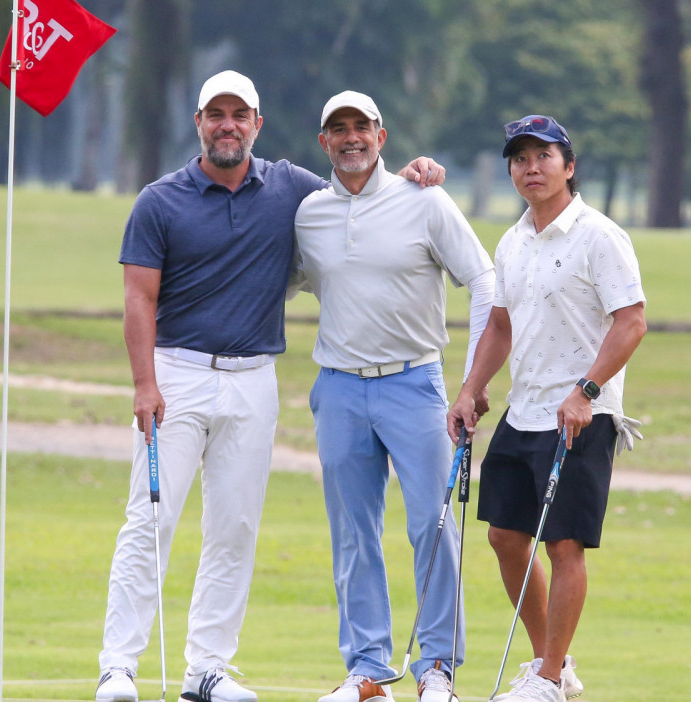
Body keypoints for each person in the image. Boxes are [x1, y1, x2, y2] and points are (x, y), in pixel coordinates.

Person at [96, 72, 446, 702]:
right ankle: (119, 665)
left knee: (234, 527)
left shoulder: (290, 189)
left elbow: (360, 190)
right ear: (198, 123)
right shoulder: (159, 200)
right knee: (150, 521)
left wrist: (416, 171)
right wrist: (144, 384)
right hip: (175, 375)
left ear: (257, 124)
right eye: (215, 114)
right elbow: (137, 300)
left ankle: (206, 670)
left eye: (240, 115)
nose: (227, 125)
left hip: (253, 379)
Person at [290, 91, 495, 702]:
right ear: (323, 142)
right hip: (339, 388)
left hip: (416, 383)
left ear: (382, 136)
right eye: (338, 130)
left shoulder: (424, 199)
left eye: (362, 127)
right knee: (353, 533)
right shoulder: (309, 213)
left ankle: (437, 668)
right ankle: (369, 669)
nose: (351, 138)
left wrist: (472, 385)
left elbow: (483, 279)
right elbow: (280, 280)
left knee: (431, 527)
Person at [446, 115, 647, 702]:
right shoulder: (514, 241)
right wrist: (471, 389)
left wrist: (586, 390)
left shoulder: (598, 236)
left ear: (569, 165)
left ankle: (552, 677)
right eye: (519, 158)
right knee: (506, 537)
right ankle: (548, 664)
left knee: (564, 544)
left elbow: (631, 321)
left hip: (582, 411)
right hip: (524, 409)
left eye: (544, 156)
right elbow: (501, 325)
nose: (531, 168)